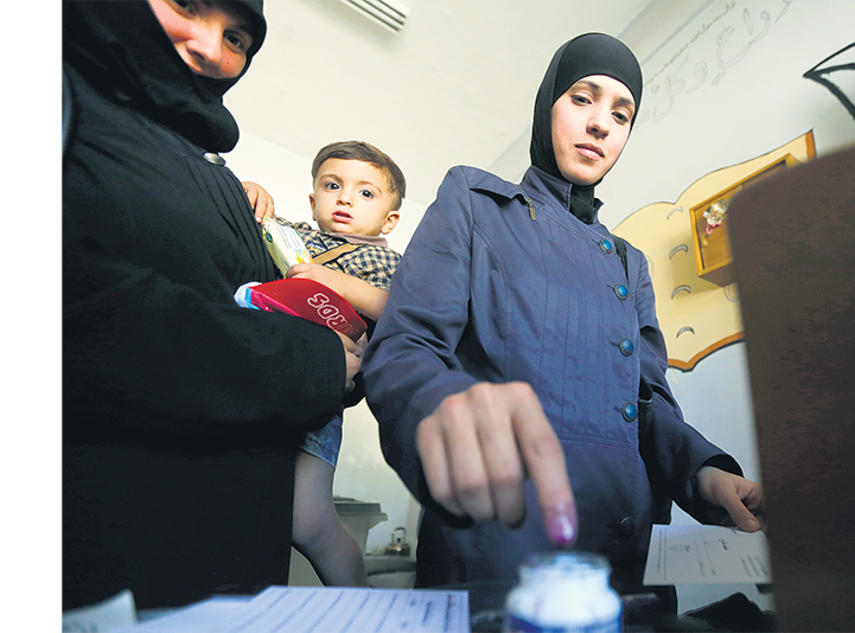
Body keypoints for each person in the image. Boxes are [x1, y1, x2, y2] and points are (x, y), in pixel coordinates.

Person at [361, 33, 764, 596]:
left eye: (621, 114)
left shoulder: (630, 263)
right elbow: (404, 347)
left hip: (621, 554)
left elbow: (647, 402)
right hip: (497, 545)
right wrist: (453, 424)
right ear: (547, 102)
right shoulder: (475, 204)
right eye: (582, 98)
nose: (601, 123)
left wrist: (704, 474)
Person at [60, 0, 362, 611]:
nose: (210, 47)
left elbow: (244, 304)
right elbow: (86, 307)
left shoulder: (211, 166)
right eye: (187, 5)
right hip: (108, 580)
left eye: (239, 38)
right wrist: (314, 362)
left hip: (236, 580)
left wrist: (339, 353)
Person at [244, 141, 405, 586]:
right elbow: (250, 225)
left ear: (390, 220)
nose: (346, 198)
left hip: (323, 395)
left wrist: (327, 279)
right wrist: (249, 192)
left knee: (307, 521)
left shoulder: (385, 259)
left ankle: (360, 605)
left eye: (366, 193)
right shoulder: (293, 235)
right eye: (332, 186)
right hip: (264, 377)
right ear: (314, 200)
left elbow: (400, 309)